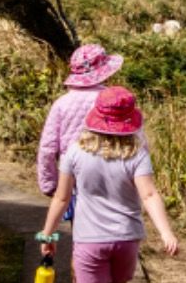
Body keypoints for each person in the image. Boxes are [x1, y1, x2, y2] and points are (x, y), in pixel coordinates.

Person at [37, 87, 179, 283]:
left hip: (89, 239)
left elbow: (61, 199)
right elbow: (149, 195)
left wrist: (48, 235)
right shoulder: (137, 154)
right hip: (127, 239)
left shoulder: (75, 153)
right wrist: (166, 232)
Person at [37, 44, 124, 198]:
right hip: (106, 171)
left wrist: (49, 184)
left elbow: (48, 148)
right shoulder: (112, 99)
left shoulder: (61, 103)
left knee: (78, 219)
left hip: (70, 174)